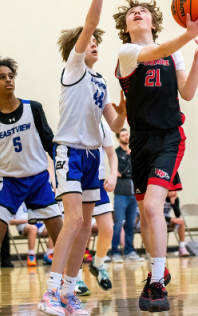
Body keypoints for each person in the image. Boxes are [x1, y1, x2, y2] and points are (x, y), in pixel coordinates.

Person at [113, 0, 198, 310]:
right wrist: (190, 33)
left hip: (170, 136)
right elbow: (155, 53)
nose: (136, 13)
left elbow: (188, 93)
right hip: (140, 140)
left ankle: (155, 282)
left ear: (154, 21)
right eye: (130, 13)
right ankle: (160, 266)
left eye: (141, 11)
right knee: (145, 212)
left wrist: (197, 57)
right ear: (126, 27)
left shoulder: (176, 50)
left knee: (155, 207)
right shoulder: (127, 53)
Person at [40, 0, 127, 316]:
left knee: (86, 226)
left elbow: (115, 126)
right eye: (89, 40)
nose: (94, 43)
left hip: (93, 156)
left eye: (95, 42)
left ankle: (68, 292)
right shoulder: (73, 68)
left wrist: (125, 106)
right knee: (73, 220)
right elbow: (90, 23)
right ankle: (50, 293)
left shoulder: (99, 80)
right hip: (69, 151)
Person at [0, 58, 63, 316]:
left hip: (39, 180)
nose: (8, 80)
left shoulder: (33, 108)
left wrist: (64, 161)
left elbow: (50, 141)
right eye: (2, 77)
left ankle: (67, 288)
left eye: (10, 75)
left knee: (62, 237)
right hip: (9, 183)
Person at [88, 120, 119, 291]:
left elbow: (111, 154)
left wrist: (113, 174)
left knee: (108, 229)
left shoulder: (101, 123)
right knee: (79, 231)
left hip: (98, 182)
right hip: (76, 182)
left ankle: (98, 265)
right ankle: (73, 277)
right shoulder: (72, 118)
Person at [110, 128, 141, 262]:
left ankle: (129, 250)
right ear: (118, 138)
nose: (126, 137)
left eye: (127, 134)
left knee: (130, 224)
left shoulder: (133, 152)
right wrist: (128, 157)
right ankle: (115, 251)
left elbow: (135, 170)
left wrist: (131, 156)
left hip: (132, 193)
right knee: (118, 223)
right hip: (120, 193)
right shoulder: (116, 153)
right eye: (123, 135)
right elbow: (120, 170)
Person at [163, 191, 189, 256]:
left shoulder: (175, 198)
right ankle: (162, 250)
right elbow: (156, 215)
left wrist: (173, 202)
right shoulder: (160, 198)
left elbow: (177, 214)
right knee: (162, 225)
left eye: (175, 190)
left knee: (180, 222)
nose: (173, 192)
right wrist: (170, 219)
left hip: (168, 221)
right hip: (158, 221)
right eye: (171, 190)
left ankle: (182, 247)